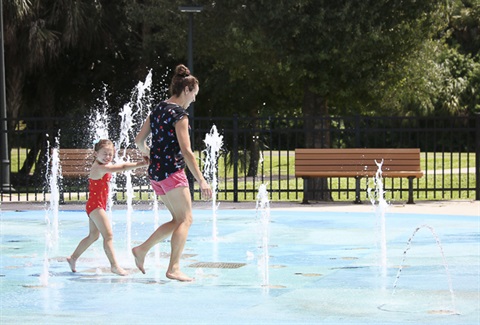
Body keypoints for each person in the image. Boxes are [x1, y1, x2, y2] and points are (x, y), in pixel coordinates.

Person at [132, 64, 212, 282]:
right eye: (194, 94)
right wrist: (202, 181)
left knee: (177, 220)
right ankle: (174, 268)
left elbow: (139, 141)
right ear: (187, 90)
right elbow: (187, 151)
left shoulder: (158, 108)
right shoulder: (180, 115)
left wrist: (149, 154)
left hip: (156, 174)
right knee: (186, 219)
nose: (194, 99)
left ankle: (141, 250)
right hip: (172, 173)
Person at [67, 139, 148, 276]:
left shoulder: (103, 164)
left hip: (96, 206)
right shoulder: (100, 168)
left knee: (93, 236)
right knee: (108, 235)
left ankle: (73, 258)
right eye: (104, 154)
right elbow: (122, 168)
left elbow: (118, 165)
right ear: (95, 154)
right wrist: (142, 163)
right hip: (96, 207)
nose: (107, 157)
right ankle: (114, 266)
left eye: (110, 154)